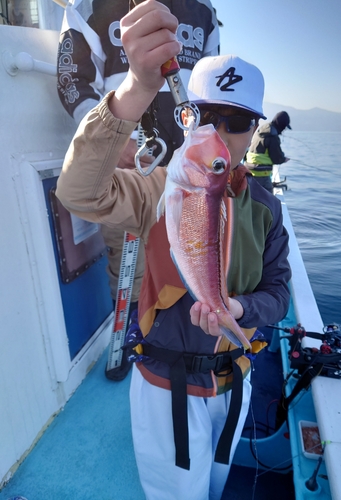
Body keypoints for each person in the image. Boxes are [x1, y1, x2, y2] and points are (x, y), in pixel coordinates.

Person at [56, 2, 291, 498]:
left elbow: (279, 294)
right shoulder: (159, 186)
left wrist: (240, 308)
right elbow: (79, 193)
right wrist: (137, 89)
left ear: (254, 130)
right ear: (184, 116)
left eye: (237, 120)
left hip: (234, 385)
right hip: (166, 389)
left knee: (218, 483)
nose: (218, 132)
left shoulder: (267, 210)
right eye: (205, 115)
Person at [57, 0, 220, 379]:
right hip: (125, 166)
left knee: (192, 262)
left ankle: (180, 338)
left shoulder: (204, 11)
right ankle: (133, 335)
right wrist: (117, 141)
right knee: (126, 266)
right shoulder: (89, 6)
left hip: (188, 169)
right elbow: (71, 79)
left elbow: (207, 88)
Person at [245, 110, 292, 193]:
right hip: (262, 173)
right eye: (284, 127)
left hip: (249, 169)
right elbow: (276, 158)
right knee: (267, 201)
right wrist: (283, 159)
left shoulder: (263, 128)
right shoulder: (273, 136)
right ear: (281, 125)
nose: (284, 130)